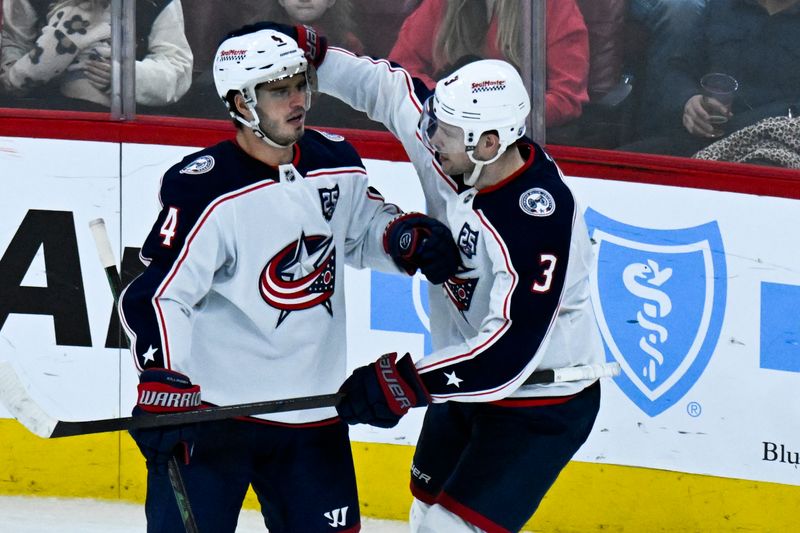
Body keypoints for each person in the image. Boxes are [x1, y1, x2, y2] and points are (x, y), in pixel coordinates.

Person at [118, 23, 459, 532]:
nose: (298, 100)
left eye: (301, 84)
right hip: (214, 420)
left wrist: (399, 238)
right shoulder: (206, 189)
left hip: (313, 417)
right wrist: (163, 378)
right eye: (279, 91)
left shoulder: (335, 160)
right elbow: (158, 297)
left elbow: (361, 228)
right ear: (240, 103)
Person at [268, 24, 606, 532]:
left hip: (539, 401)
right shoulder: (455, 144)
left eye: (442, 133)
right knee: (423, 510)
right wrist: (315, 58)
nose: (428, 139)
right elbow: (387, 90)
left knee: (447, 528)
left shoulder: (536, 221)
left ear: (488, 143)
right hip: (466, 382)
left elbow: (508, 353)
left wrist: (406, 382)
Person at [620, 0, 800, 157]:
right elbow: (677, 68)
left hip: (775, 148)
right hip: (699, 140)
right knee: (616, 169)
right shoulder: (722, 7)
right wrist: (688, 100)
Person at [387, 0, 590, 128]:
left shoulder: (553, 6)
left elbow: (566, 98)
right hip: (448, 141)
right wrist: (449, 104)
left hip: (518, 149)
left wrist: (494, 117)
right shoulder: (443, 4)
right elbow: (399, 70)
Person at [0, 0, 192, 109]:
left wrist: (127, 76)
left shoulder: (158, 3)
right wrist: (14, 78)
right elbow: (14, 41)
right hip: (44, 113)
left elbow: (176, 64)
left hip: (130, 120)